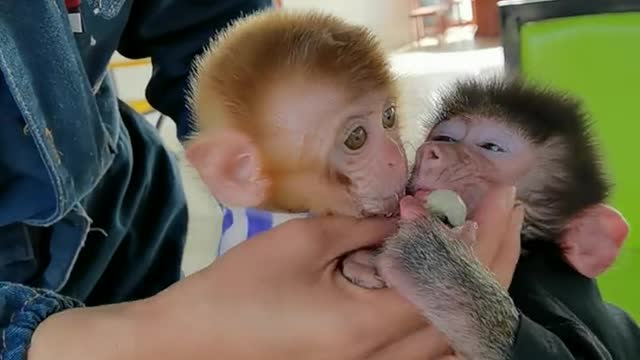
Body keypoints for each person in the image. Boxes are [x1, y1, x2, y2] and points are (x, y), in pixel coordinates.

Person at [0, 1, 520, 359]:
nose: (398, 158)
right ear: (238, 171)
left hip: (119, 222)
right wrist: (139, 338)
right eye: (357, 139)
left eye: (389, 119)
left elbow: (211, 26)